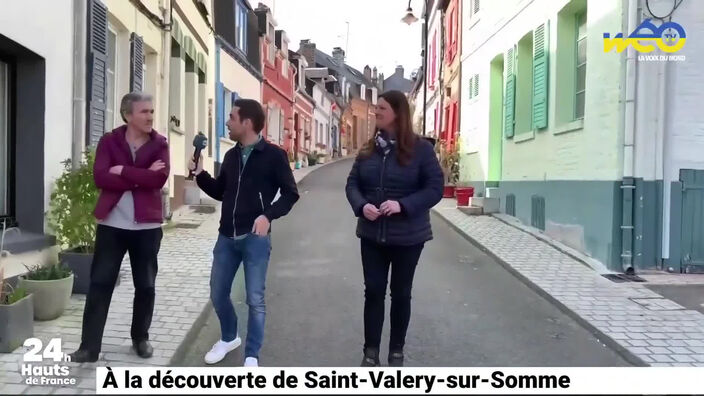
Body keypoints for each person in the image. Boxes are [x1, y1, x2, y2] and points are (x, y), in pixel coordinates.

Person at [189, 98, 299, 367]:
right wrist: (201, 174)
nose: (227, 122)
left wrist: (268, 215)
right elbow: (219, 191)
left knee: (255, 299)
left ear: (247, 123)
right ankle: (229, 337)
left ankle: (252, 354)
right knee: (217, 292)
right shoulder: (231, 155)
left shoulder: (274, 156)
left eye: (231, 117)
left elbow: (290, 194)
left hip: (255, 239)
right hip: (226, 235)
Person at [345, 90, 444, 367]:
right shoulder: (367, 150)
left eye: (382, 108)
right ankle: (371, 352)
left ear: (398, 114)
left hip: (409, 237)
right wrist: (361, 205)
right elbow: (352, 184)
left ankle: (396, 350)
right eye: (376, 108)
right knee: (373, 291)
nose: (376, 112)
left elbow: (435, 188)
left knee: (401, 293)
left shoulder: (421, 149)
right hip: (371, 234)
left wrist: (403, 205)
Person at [69, 92, 169, 363]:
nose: (150, 116)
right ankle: (89, 347)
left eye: (151, 111)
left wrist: (123, 171)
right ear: (128, 115)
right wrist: (141, 176)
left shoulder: (160, 144)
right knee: (100, 283)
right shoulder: (109, 141)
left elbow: (158, 179)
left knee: (145, 285)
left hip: (146, 227)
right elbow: (101, 177)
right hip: (112, 225)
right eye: (144, 112)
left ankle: (141, 338)